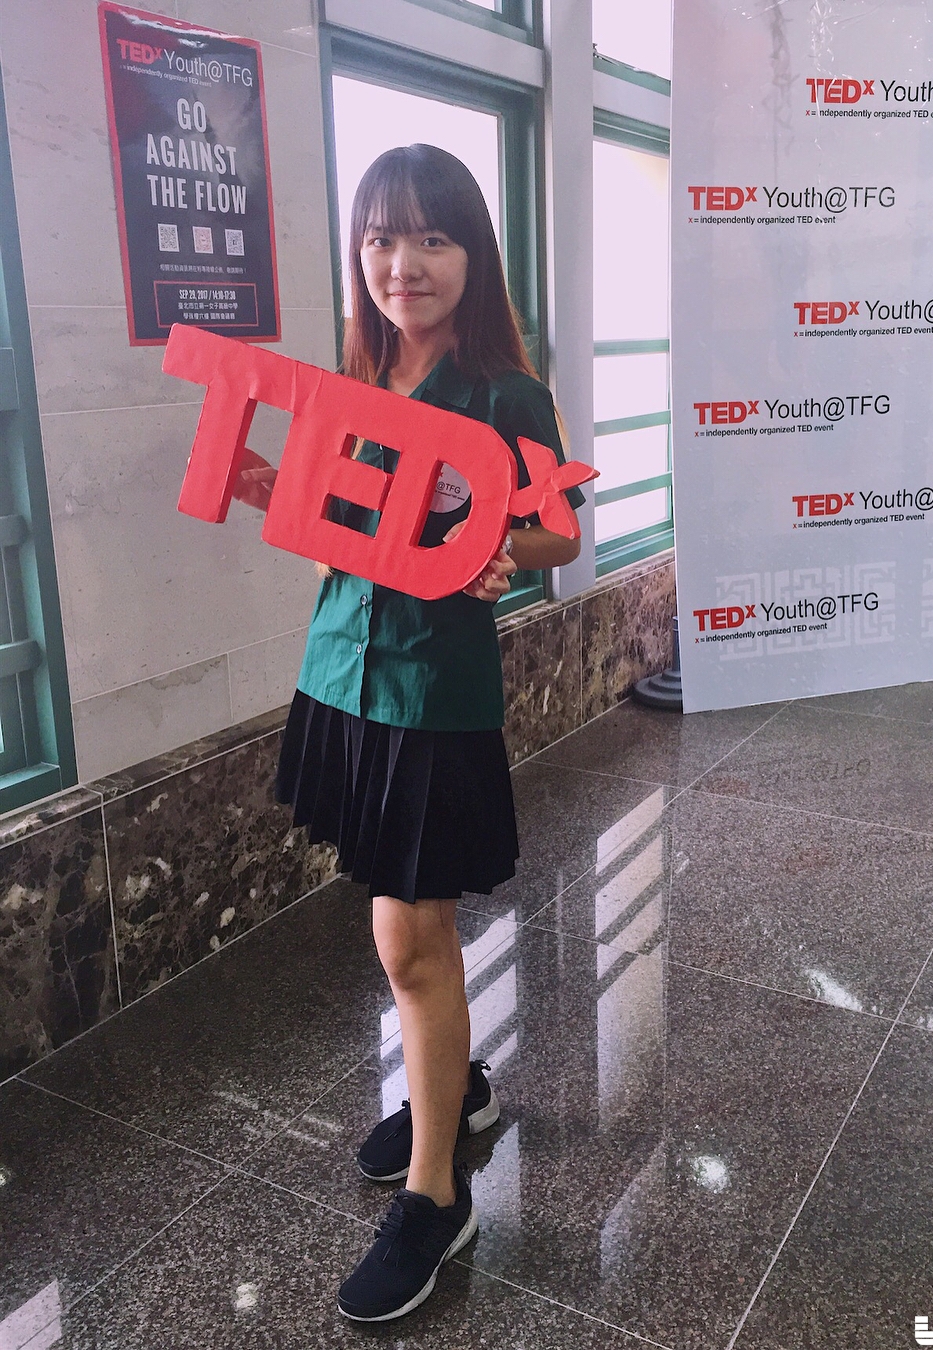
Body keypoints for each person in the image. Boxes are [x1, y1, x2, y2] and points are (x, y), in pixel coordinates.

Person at [233, 143, 584, 1322]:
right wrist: (280, 496)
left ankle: (437, 1198)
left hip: (432, 694)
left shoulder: (503, 392)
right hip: (342, 675)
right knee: (399, 921)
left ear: (474, 254)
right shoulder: (357, 375)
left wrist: (500, 551)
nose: (404, 263)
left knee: (409, 942)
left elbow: (559, 533)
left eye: (433, 238)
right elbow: (334, 529)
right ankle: (460, 1088)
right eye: (382, 238)